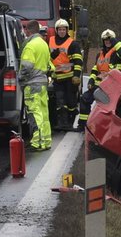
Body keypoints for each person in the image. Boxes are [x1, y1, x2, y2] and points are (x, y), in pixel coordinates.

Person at [77, 28, 121, 131]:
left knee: (108, 109)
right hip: (98, 86)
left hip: (112, 86)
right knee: (84, 99)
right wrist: (91, 80)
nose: (107, 41)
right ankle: (83, 125)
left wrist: (116, 42)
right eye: (105, 40)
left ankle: (108, 129)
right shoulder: (99, 54)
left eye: (109, 39)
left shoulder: (117, 53)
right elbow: (95, 69)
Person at [19, 19, 53, 151]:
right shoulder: (43, 44)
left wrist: (20, 77)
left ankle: (37, 142)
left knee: (34, 113)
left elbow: (26, 66)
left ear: (28, 30)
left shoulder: (30, 46)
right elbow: (49, 65)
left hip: (32, 83)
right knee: (44, 113)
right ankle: (46, 141)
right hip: (42, 83)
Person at [48, 18, 83, 131]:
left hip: (70, 78)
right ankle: (62, 123)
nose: (62, 31)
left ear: (67, 30)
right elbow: (47, 58)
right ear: (56, 30)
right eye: (60, 29)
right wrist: (53, 55)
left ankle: (70, 122)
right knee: (60, 101)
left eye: (64, 29)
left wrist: (76, 76)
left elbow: (78, 61)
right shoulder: (51, 40)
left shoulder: (72, 43)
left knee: (71, 101)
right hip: (56, 78)